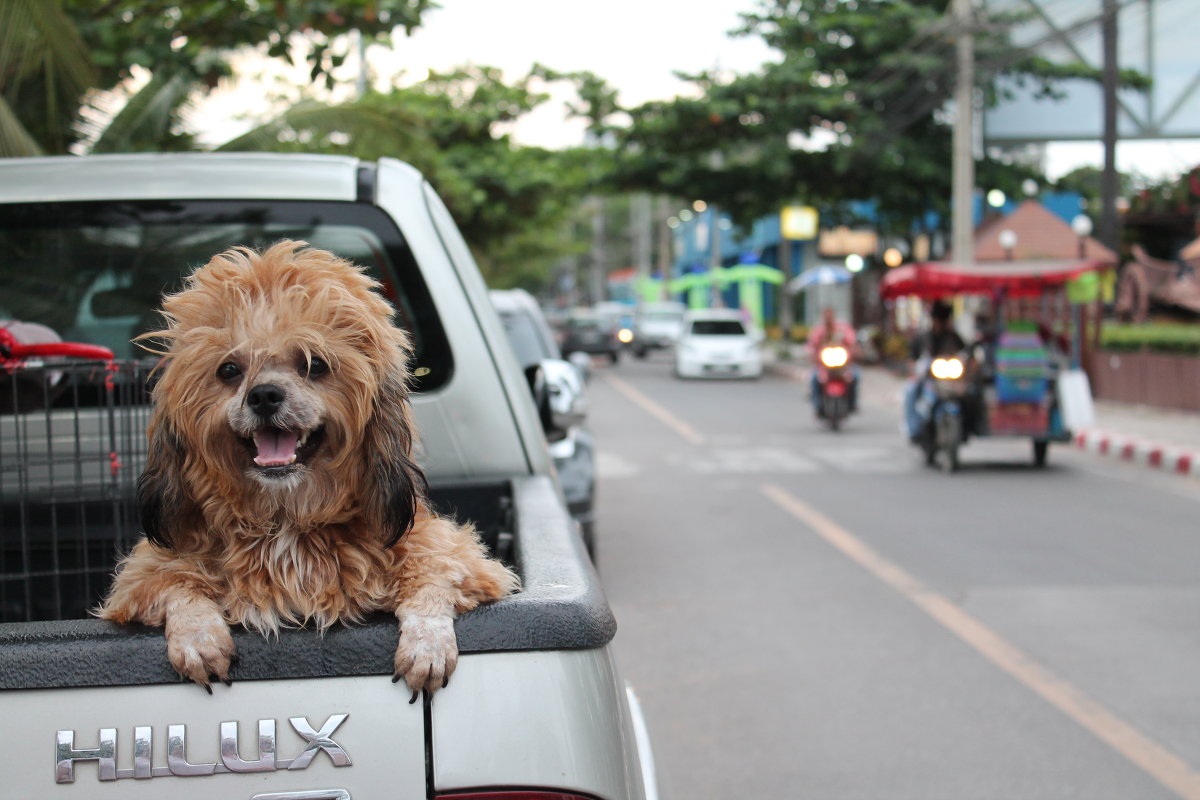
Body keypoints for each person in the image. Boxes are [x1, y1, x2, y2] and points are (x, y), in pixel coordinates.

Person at [903, 299, 966, 440]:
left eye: (943, 320)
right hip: (927, 379)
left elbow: (965, 354)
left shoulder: (953, 337)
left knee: (970, 394)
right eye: (938, 319)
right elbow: (911, 359)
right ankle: (913, 429)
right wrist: (917, 367)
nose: (940, 323)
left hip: (949, 381)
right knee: (910, 391)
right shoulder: (923, 337)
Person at [807, 306, 859, 414]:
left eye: (830, 315)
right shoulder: (819, 330)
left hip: (842, 366)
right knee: (813, 378)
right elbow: (811, 345)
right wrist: (812, 354)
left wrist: (854, 350)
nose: (828, 318)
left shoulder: (842, 328)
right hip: (824, 366)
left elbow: (851, 341)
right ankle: (818, 405)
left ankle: (852, 403)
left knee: (856, 376)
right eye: (826, 316)